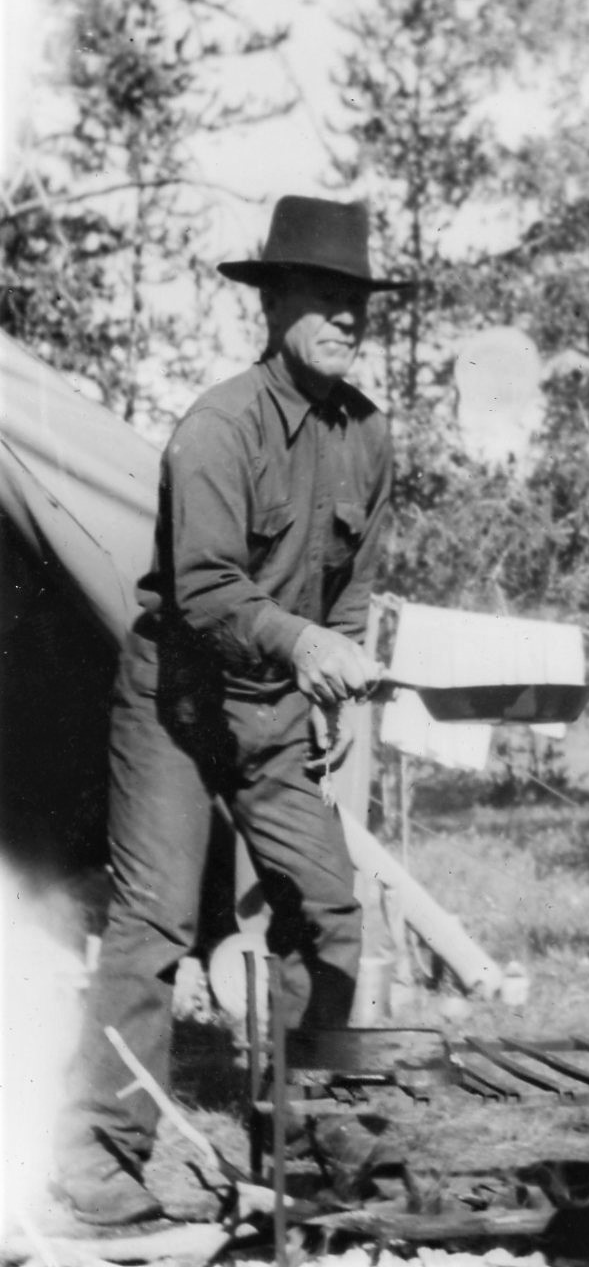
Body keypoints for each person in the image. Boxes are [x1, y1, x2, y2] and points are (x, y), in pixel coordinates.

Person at [53, 195, 411, 1225]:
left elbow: (351, 585)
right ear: (274, 305)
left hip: (271, 714)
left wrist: (326, 674)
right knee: (155, 921)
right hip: (178, 702)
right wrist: (305, 645)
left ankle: (303, 1141)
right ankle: (96, 1166)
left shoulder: (370, 435)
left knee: (331, 912)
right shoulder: (216, 428)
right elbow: (205, 593)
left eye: (357, 302)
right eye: (324, 299)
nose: (345, 318)